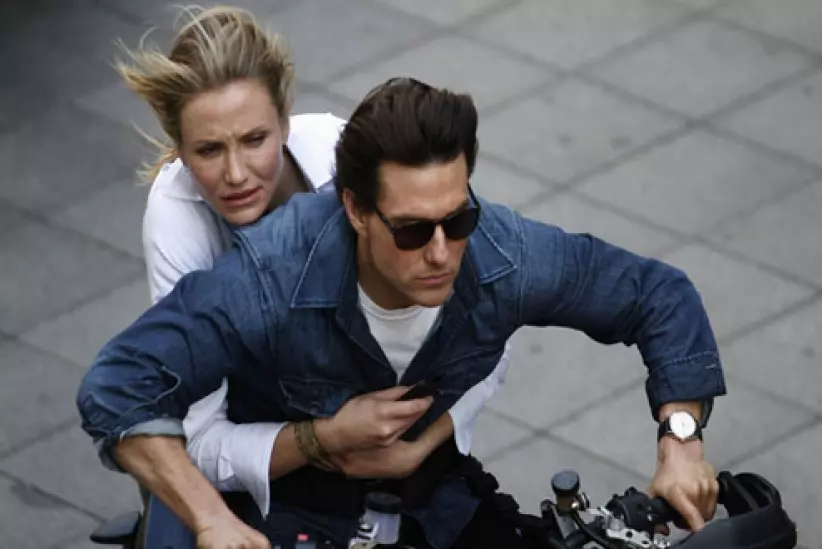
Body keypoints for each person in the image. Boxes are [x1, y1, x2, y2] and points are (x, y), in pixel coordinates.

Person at [77, 77, 727, 549]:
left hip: (435, 502)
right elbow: (119, 384)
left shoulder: (504, 255)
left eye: (458, 219)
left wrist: (681, 443)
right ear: (356, 210)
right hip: (292, 512)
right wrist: (211, 520)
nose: (441, 252)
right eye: (413, 230)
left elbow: (656, 295)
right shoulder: (272, 273)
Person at [115, 5, 510, 544]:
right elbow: (196, 441)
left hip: (390, 449)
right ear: (179, 149)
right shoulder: (176, 216)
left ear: (284, 120)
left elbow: (493, 317)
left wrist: (419, 445)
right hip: (266, 464)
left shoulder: (339, 154)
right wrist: (324, 437)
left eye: (255, 139)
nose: (236, 174)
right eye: (208, 150)